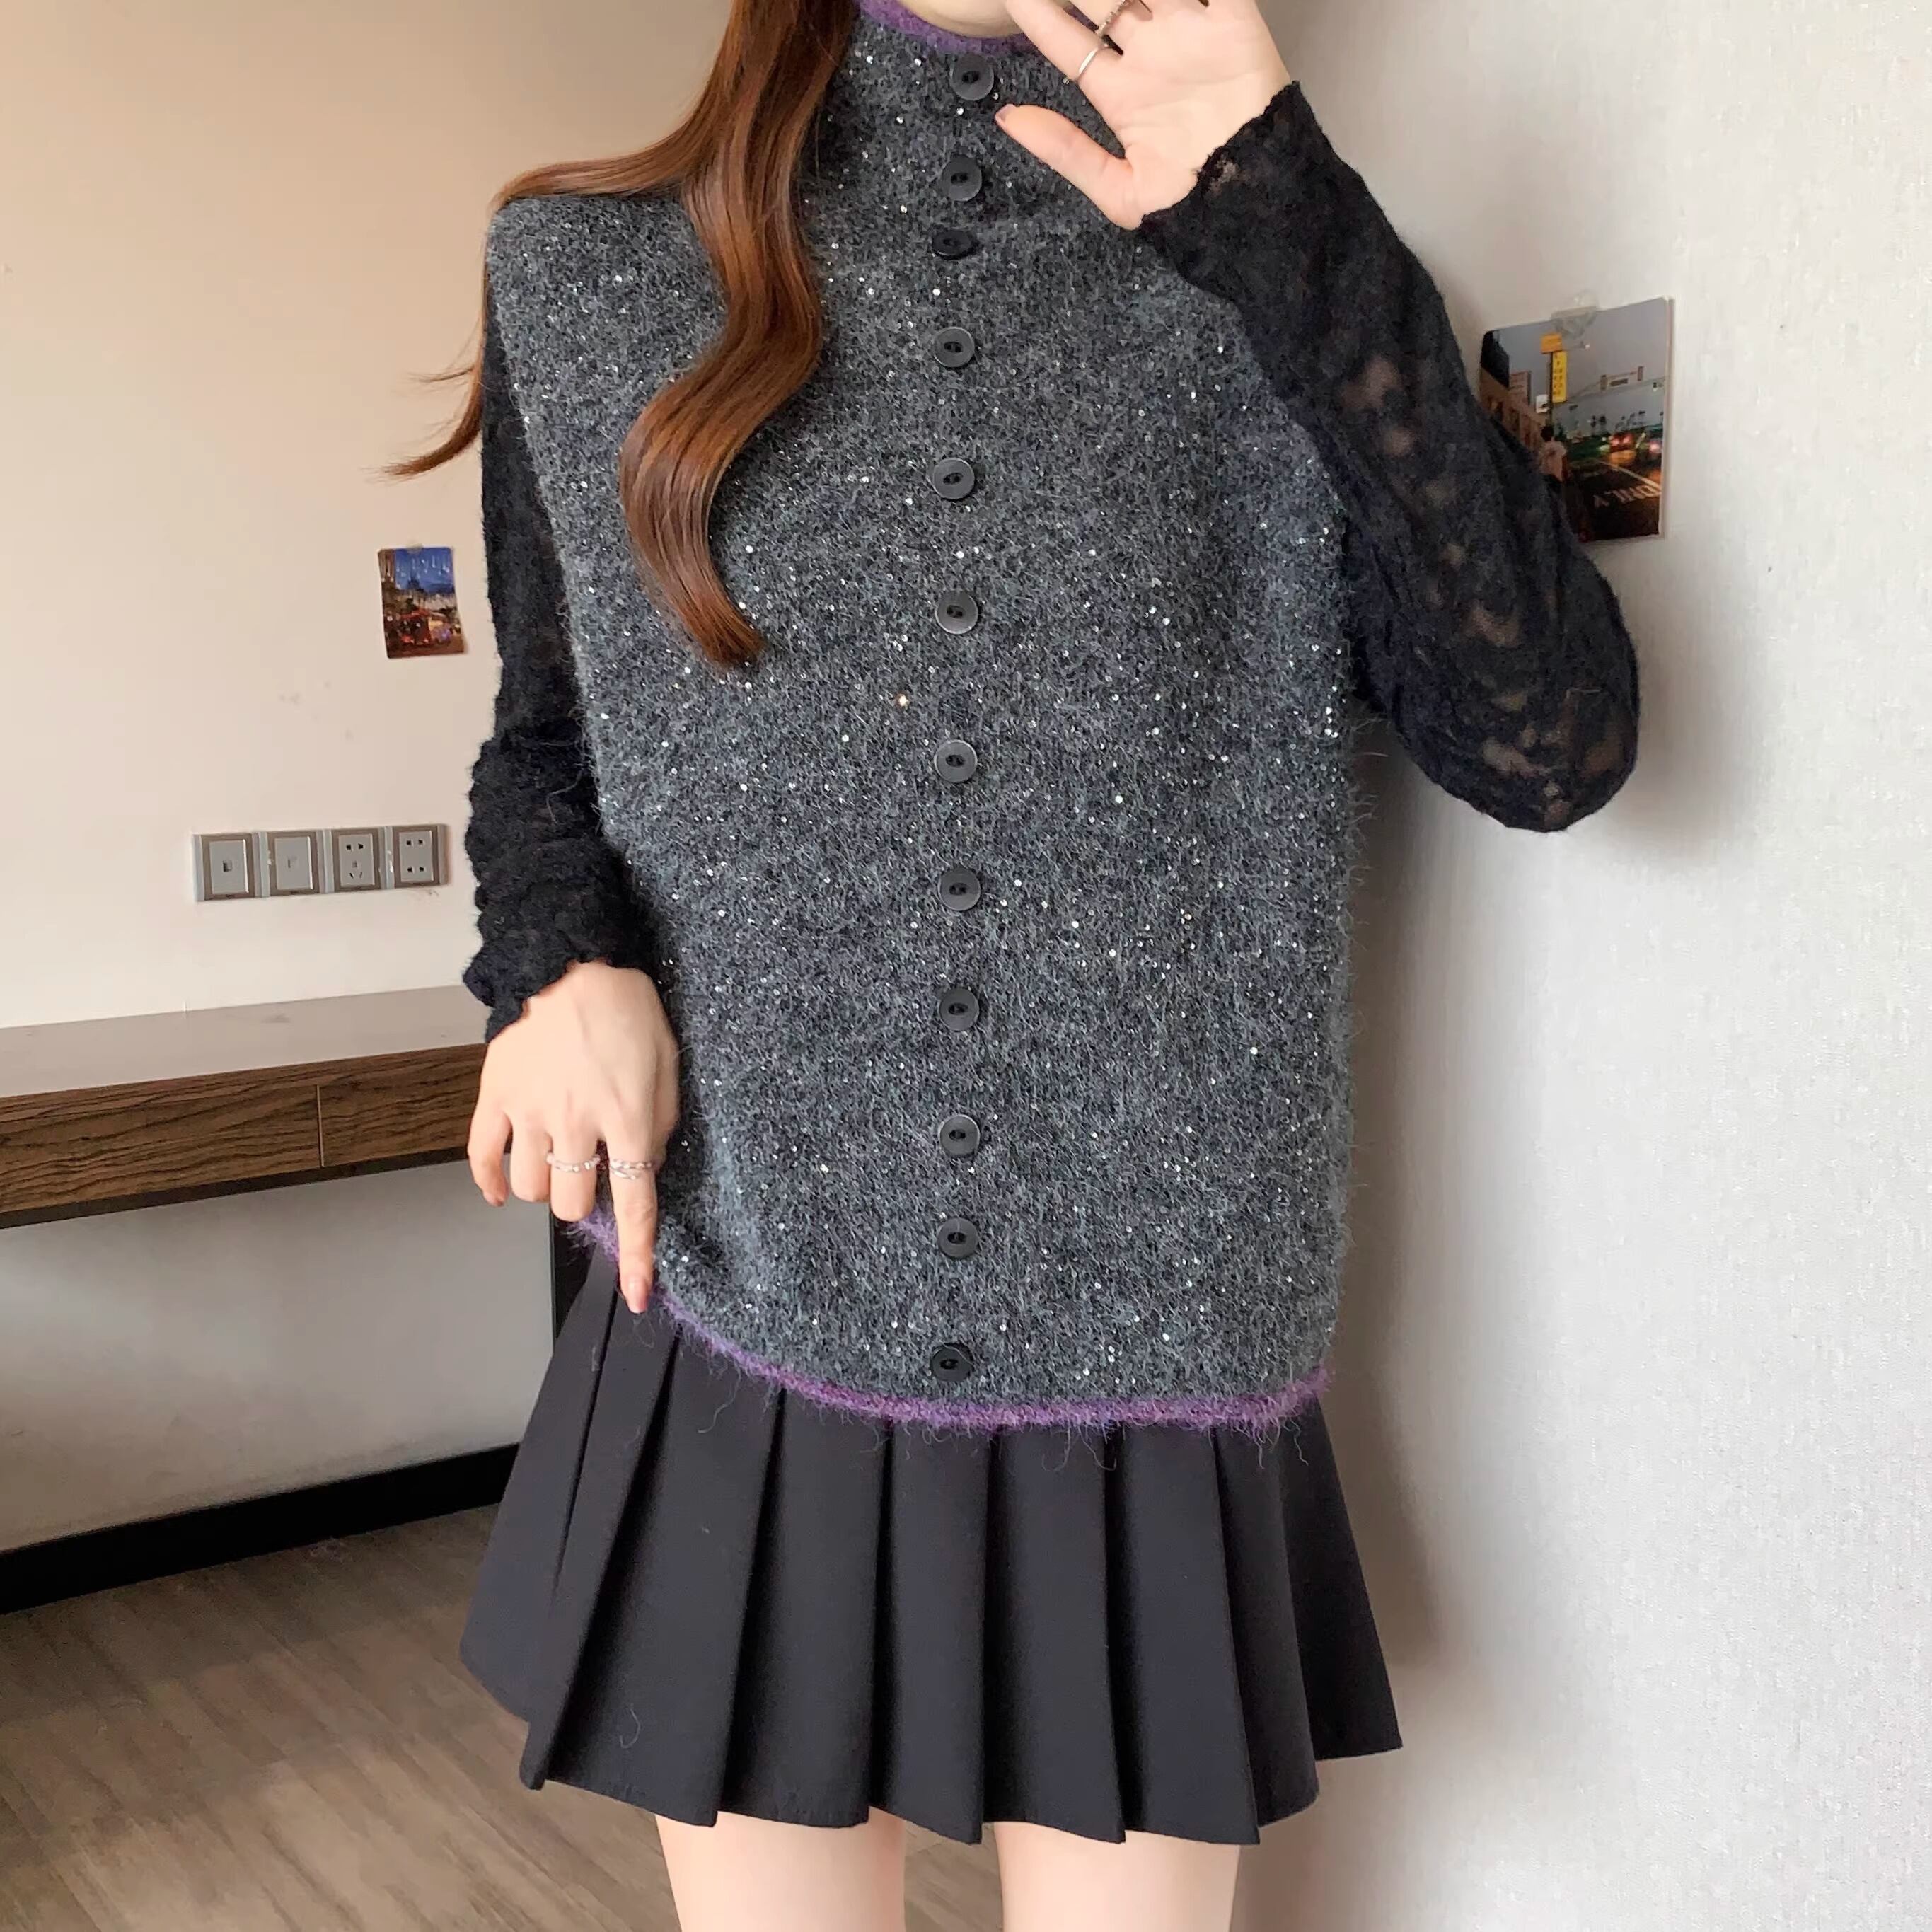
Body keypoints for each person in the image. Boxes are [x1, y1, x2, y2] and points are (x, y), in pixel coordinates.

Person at [405, 1, 1640, 1926]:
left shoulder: (1271, 268)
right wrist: (555, 964)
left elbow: (1546, 745)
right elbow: (545, 742)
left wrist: (1284, 215)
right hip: (742, 1277)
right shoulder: (584, 270)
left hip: (1157, 1330)